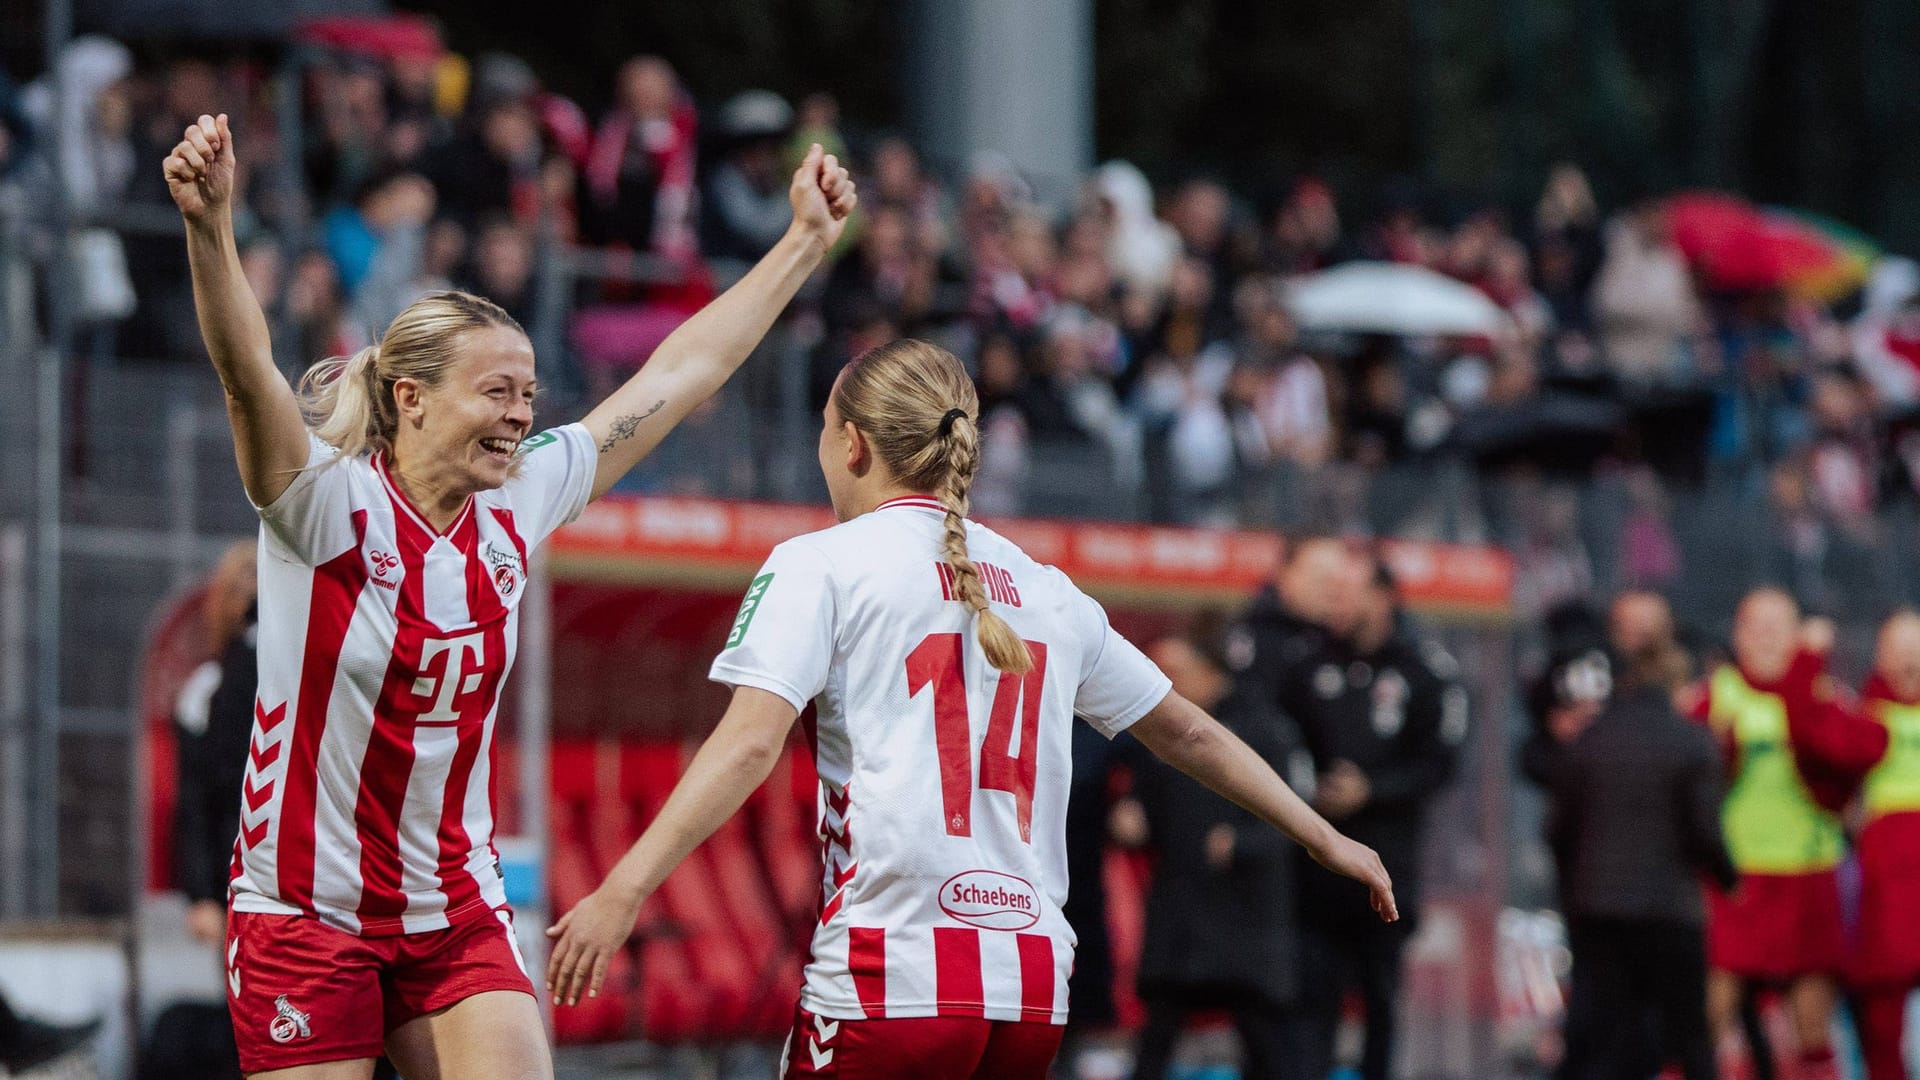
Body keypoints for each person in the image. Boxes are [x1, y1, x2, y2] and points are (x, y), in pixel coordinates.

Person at [164, 111, 855, 1078]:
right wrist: (210, 226)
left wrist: (800, 246)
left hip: (452, 913)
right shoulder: (323, 505)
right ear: (410, 397)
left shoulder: (521, 494)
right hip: (304, 914)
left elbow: (679, 372)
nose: (523, 415)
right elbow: (248, 381)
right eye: (497, 392)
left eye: (529, 394)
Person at [544, 339, 1396, 1079]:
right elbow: (1190, 730)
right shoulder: (1049, 589)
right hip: (1025, 992)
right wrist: (1323, 835)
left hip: (893, 974)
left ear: (851, 445)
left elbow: (746, 748)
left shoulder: (822, 564)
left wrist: (623, 890)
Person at [1281, 551, 1466, 1080]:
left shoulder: (1427, 671)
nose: (1334, 602)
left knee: (1382, 1004)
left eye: (1347, 591)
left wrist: (1371, 791)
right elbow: (1273, 739)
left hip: (1388, 872)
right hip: (1313, 873)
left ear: (1383, 596)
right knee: (1311, 1004)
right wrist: (1308, 788)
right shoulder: (1306, 662)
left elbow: (1440, 765)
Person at [1686, 588, 1883, 1080]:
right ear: (1739, 635)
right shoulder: (1715, 697)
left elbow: (1851, 755)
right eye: (1759, 626)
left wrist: (1803, 678)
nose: (1770, 638)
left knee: (1813, 1029)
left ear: (1799, 636)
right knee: (1710, 1013)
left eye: (1781, 627)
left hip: (1808, 878)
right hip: (1737, 880)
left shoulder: (1822, 694)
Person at [1530, 638, 1736, 1080]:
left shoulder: (1588, 740)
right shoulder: (1692, 743)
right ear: (1679, 685)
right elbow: (1705, 832)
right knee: (1690, 1037)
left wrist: (1576, 892)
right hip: (1671, 913)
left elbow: (1556, 830)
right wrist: (1729, 878)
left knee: (1598, 1036)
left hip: (1597, 913)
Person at [1121, 614, 1312, 1080]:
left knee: (1265, 1041)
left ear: (1210, 671)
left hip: (1243, 916)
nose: (1171, 685)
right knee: (1158, 1035)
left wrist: (1243, 842)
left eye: (1179, 674)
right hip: (1181, 911)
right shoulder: (1160, 732)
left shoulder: (1264, 728)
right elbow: (1144, 803)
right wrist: (1132, 816)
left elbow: (1297, 815)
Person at [1847, 611, 1920, 1080]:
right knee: (1881, 1019)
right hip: (1885, 893)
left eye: (1917, 648)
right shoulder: (1859, 717)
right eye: (1899, 649)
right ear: (1880, 656)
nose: (1910, 659)